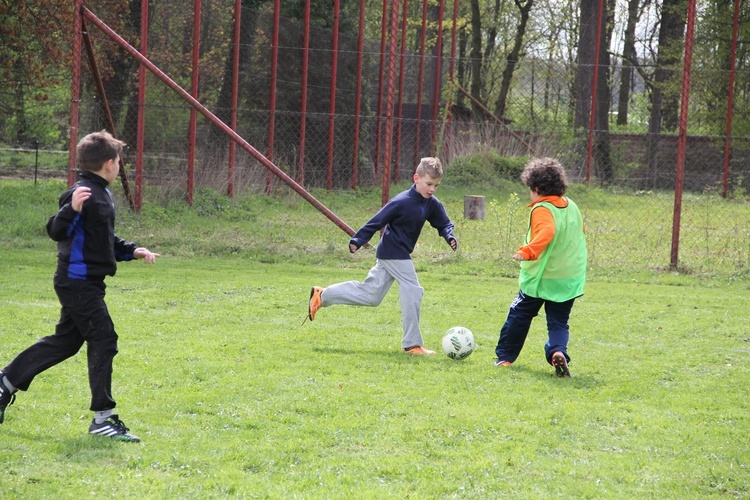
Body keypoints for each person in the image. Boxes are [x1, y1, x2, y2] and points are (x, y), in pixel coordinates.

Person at [0, 130, 160, 441]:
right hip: (77, 283)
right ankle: (103, 418)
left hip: (87, 283)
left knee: (66, 342)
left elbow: (101, 241)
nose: (119, 167)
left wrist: (133, 250)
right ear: (109, 164)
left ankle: (5, 383)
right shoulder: (83, 193)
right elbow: (56, 231)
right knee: (104, 338)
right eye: (119, 162)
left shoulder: (101, 193)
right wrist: (70, 208)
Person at [306, 157, 457, 355]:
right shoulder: (401, 201)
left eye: (436, 186)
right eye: (428, 184)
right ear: (416, 178)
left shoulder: (431, 203)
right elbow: (377, 221)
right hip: (395, 252)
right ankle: (412, 344)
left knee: (371, 295)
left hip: (392, 254)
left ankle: (323, 295)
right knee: (413, 290)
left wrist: (449, 235)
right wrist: (358, 240)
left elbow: (444, 223)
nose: (432, 189)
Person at [493, 157, 587, 377]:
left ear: (536, 188)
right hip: (568, 278)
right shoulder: (571, 206)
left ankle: (505, 358)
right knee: (559, 322)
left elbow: (547, 233)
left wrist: (527, 251)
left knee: (519, 315)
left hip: (542, 277)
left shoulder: (542, 209)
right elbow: (578, 235)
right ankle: (557, 351)